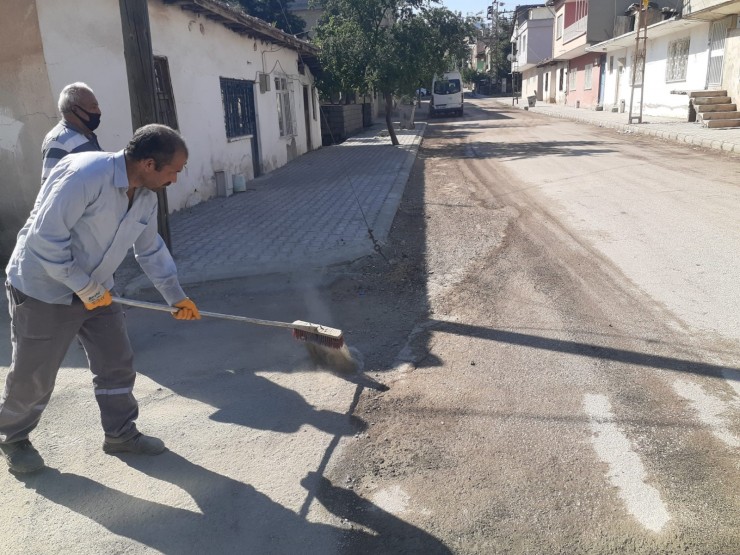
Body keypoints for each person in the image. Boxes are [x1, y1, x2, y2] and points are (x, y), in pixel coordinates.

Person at [0, 124, 201, 474]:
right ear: (150, 164)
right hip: (42, 288)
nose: (176, 179)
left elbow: (150, 249)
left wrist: (176, 297)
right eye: (174, 171)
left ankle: (121, 433)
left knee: (116, 361)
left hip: (97, 288)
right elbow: (43, 239)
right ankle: (13, 437)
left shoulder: (146, 198)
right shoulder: (85, 175)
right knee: (34, 374)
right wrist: (83, 286)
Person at [41, 82, 103, 182]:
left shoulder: (86, 134)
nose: (98, 111)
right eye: (93, 107)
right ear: (75, 109)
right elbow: (50, 188)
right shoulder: (58, 141)